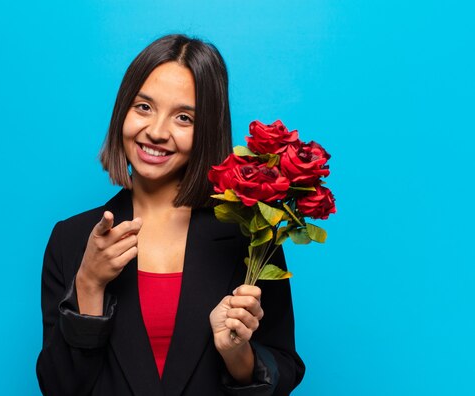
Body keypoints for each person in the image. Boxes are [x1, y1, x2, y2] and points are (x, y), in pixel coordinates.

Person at [36, 34, 305, 396]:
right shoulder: (71, 238)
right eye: (143, 107)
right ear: (122, 112)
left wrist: (237, 354)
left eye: (183, 117)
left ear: (206, 130)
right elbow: (59, 387)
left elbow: (283, 368)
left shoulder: (251, 236)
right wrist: (89, 283)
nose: (157, 132)